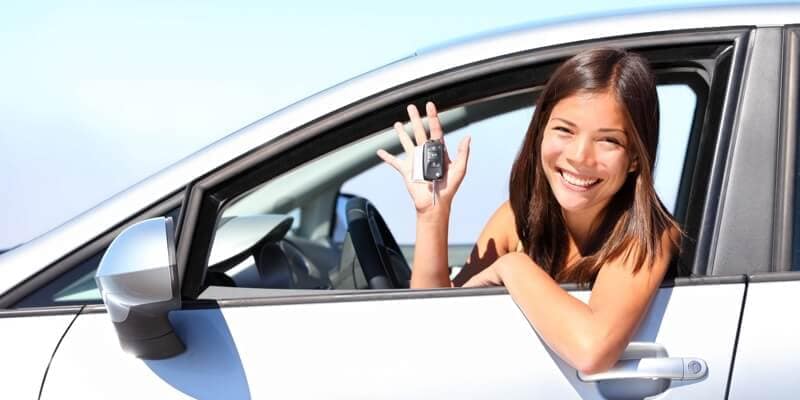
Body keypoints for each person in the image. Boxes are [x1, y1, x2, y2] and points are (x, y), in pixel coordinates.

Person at [376, 47, 680, 374]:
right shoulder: (516, 219)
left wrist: (512, 266)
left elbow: (592, 351)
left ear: (635, 157)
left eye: (608, 141)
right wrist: (433, 214)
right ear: (540, 134)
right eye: (564, 130)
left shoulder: (649, 235)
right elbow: (434, 324)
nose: (580, 156)